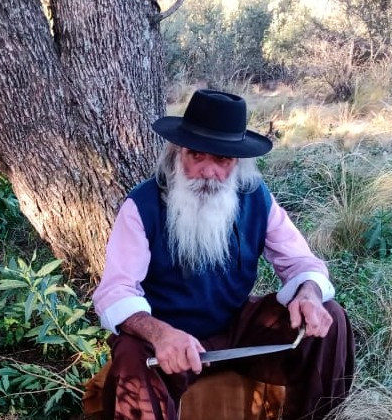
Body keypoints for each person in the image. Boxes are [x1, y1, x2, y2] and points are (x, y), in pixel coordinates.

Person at [92, 89, 354, 420]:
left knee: (329, 317)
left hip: (234, 328)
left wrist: (309, 294)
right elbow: (116, 290)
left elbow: (300, 261)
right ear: (177, 153)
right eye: (196, 155)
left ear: (238, 163)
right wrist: (160, 334)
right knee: (131, 353)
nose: (208, 171)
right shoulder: (141, 206)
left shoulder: (256, 198)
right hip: (168, 341)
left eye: (222, 160)